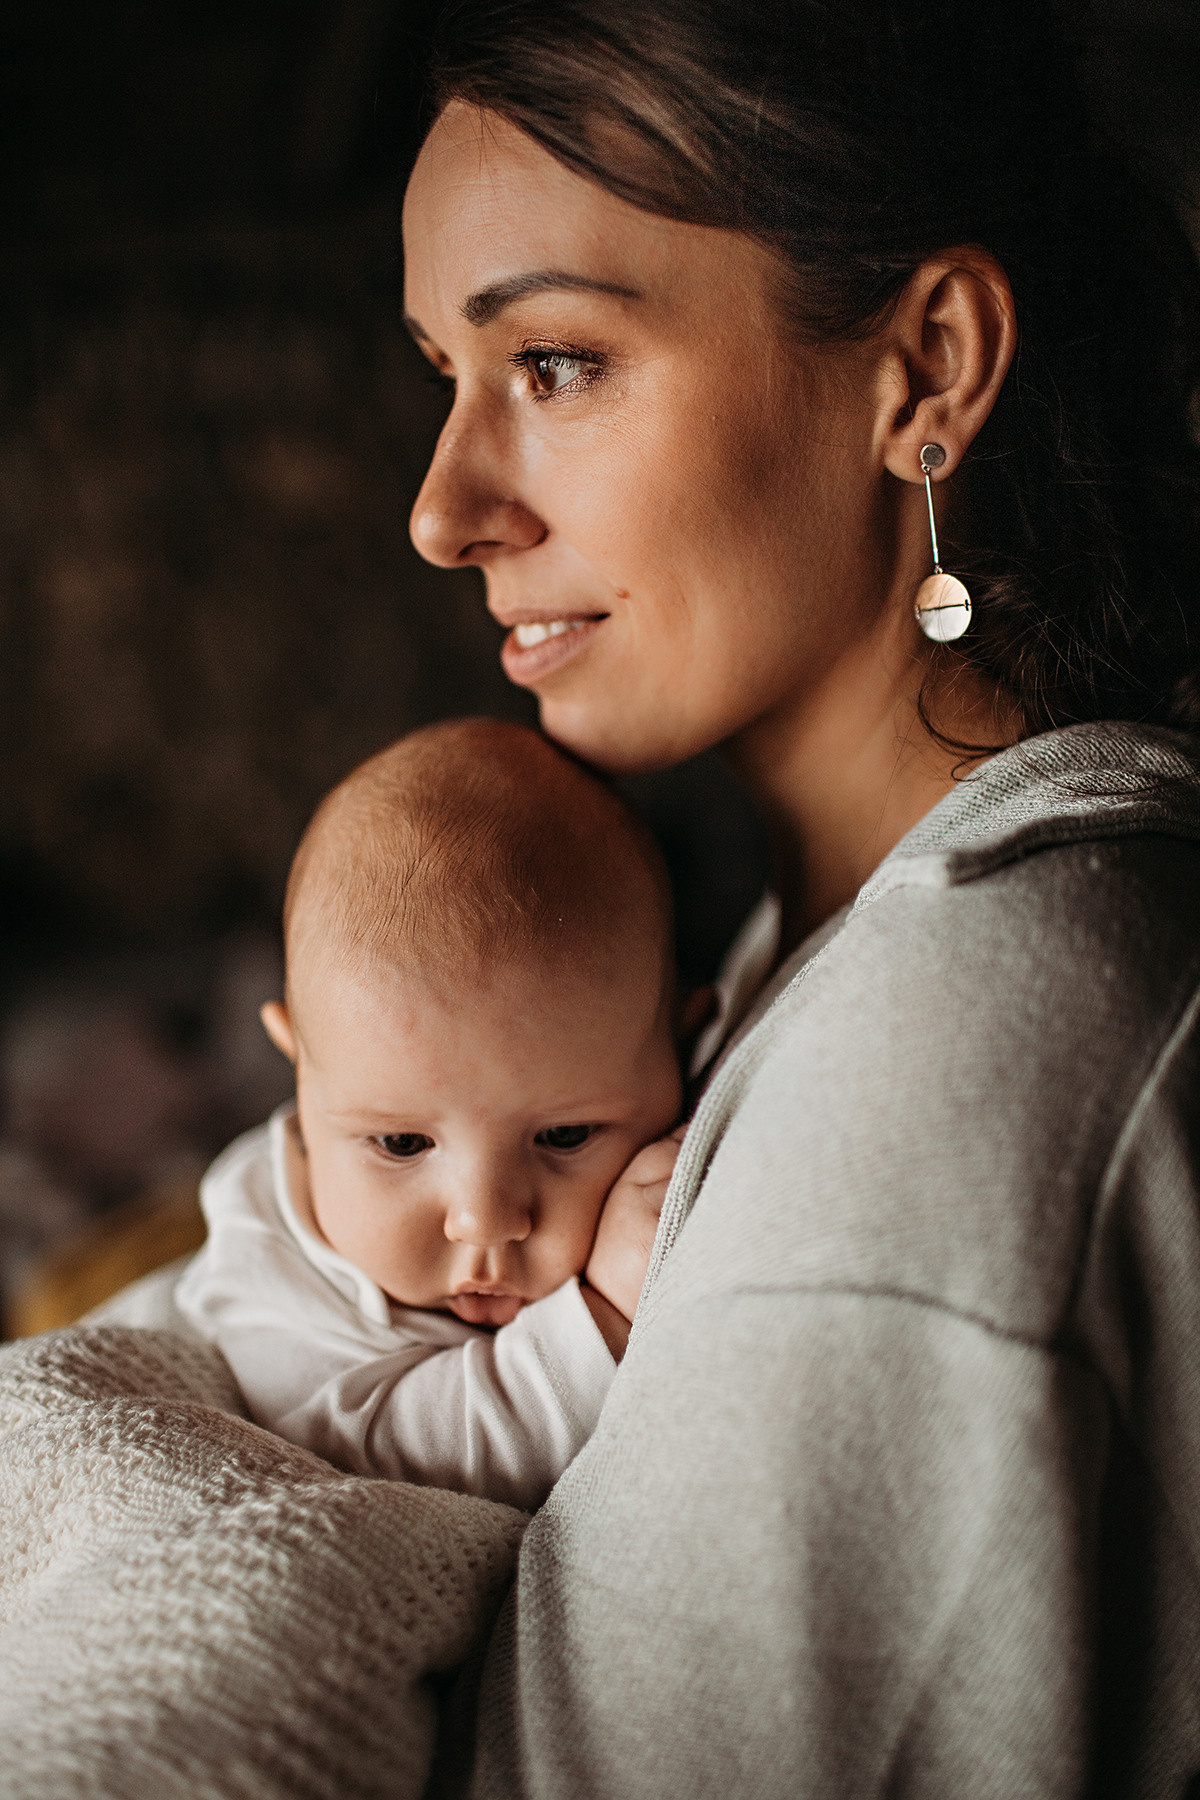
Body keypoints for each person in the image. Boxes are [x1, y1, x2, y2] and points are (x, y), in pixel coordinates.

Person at [395, 0, 1200, 1793]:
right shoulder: (810, 950)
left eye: (557, 364)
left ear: (923, 367)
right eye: (438, 370)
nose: (444, 509)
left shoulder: (958, 1062)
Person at [176, 718, 685, 1512]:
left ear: (683, 1052)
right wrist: (604, 1322)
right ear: (300, 1068)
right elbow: (378, 1466)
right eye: (402, 1142)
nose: (485, 1221)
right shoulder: (269, 1271)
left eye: (564, 1136)